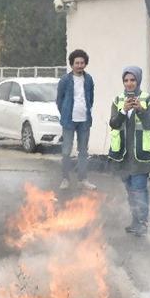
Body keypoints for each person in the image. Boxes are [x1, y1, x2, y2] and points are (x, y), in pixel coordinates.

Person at [109, 66, 150, 236]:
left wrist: (140, 110)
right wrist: (123, 111)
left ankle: (143, 222)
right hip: (123, 155)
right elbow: (113, 123)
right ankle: (135, 221)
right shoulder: (118, 100)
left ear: (138, 81)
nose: (129, 84)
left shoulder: (148, 99)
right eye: (126, 80)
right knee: (130, 190)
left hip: (141, 155)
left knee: (139, 189)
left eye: (132, 80)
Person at [56, 49, 96, 191]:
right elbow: (59, 100)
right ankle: (65, 179)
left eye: (82, 63)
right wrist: (65, 112)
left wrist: (85, 110)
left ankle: (83, 179)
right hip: (68, 121)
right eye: (77, 63)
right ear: (72, 64)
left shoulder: (89, 79)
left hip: (84, 120)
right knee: (66, 151)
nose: (79, 65)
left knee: (83, 151)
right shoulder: (65, 80)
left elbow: (90, 99)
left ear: (85, 64)